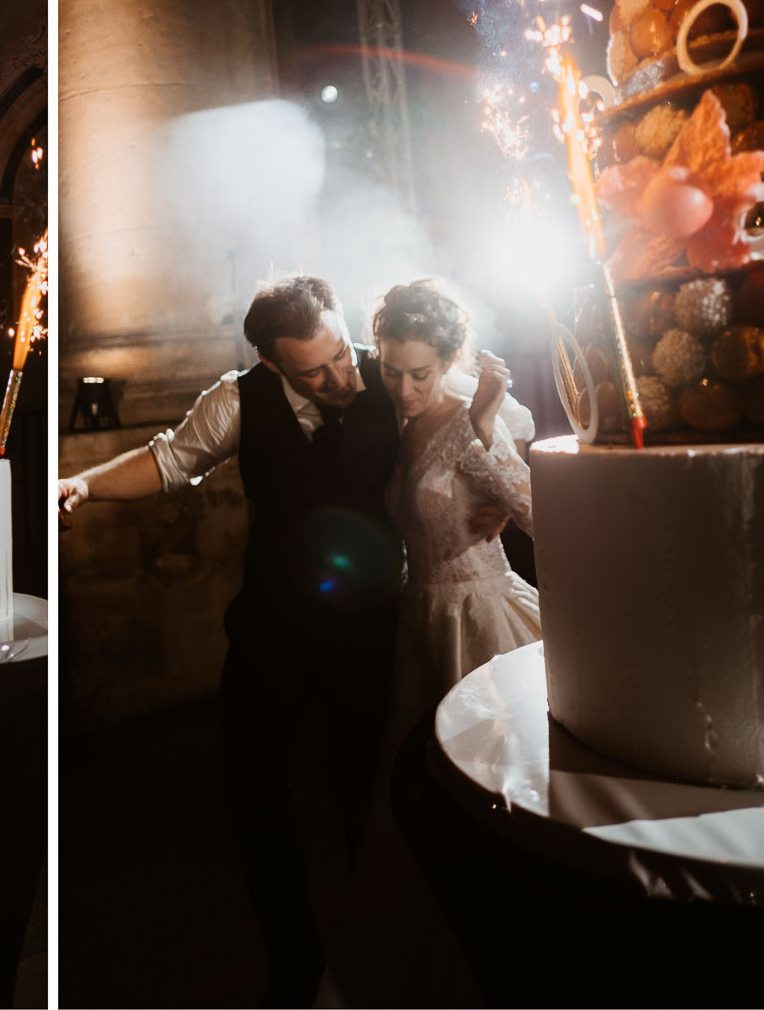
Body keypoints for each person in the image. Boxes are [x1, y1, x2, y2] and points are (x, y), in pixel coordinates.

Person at [61, 274, 526, 1005]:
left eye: (343, 352)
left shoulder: (389, 369)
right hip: (273, 629)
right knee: (254, 797)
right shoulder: (235, 399)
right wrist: (82, 484)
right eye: (317, 369)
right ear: (274, 364)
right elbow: (167, 459)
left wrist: (491, 489)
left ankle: (371, 955)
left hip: (372, 629)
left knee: (362, 796)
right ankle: (293, 959)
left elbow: (492, 413)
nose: (344, 374)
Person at [372, 280, 539, 722]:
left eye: (420, 375)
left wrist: (486, 427)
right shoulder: (397, 421)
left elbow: (545, 521)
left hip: (478, 619)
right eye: (391, 371)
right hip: (419, 619)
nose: (403, 389)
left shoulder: (472, 426)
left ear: (448, 362)